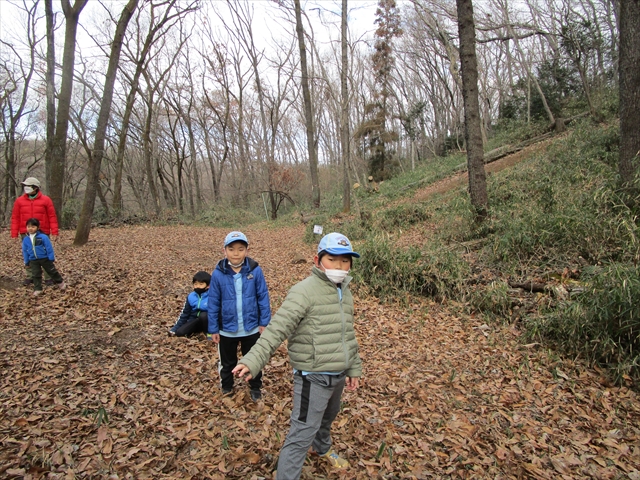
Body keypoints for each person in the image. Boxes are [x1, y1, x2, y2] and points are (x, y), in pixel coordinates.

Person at [232, 232, 362, 479]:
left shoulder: (344, 291)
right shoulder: (303, 292)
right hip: (313, 378)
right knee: (302, 432)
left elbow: (347, 333)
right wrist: (253, 360)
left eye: (345, 260)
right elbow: (277, 329)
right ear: (317, 260)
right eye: (333, 259)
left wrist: (354, 367)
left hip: (338, 375)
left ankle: (322, 449)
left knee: (327, 418)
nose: (340, 266)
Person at [208, 231, 271, 402]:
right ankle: (227, 387)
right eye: (232, 249)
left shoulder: (255, 270)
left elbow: (263, 296)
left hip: (250, 327)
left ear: (247, 251)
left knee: (253, 359)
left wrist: (264, 322)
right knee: (227, 362)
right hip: (226, 329)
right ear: (224, 251)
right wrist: (213, 328)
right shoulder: (218, 274)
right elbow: (213, 302)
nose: (236, 253)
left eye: (240, 249)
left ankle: (255, 387)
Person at [11, 177, 59, 285]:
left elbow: (52, 216)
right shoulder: (19, 201)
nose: (26, 188)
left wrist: (55, 231)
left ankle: (48, 277)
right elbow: (15, 217)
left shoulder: (46, 200)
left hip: (42, 232)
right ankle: (31, 276)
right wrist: (14, 233)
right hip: (25, 232)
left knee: (45, 254)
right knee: (29, 254)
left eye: (28, 186)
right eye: (25, 186)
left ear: (35, 187)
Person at [21, 218, 65, 296]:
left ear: (38, 228)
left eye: (33, 227)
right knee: (36, 274)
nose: (30, 228)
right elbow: (25, 251)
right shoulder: (26, 239)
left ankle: (60, 282)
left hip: (44, 258)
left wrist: (51, 257)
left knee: (51, 271)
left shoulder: (43, 237)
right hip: (33, 260)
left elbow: (49, 247)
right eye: (28, 226)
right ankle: (38, 288)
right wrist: (26, 261)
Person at [169, 271, 211, 337]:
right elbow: (185, 314)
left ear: (208, 285)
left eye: (201, 284)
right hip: (194, 321)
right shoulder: (191, 296)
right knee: (180, 333)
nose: (198, 286)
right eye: (195, 284)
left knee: (204, 315)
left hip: (208, 321)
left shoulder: (213, 296)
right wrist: (174, 329)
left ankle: (209, 333)